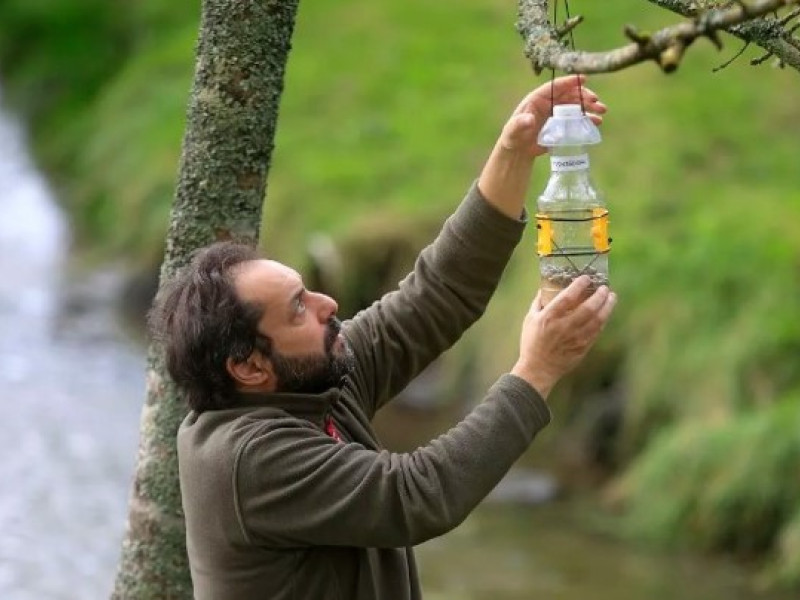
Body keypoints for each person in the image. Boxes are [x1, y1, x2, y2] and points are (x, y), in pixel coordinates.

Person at [150, 75, 616, 600]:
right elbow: (414, 496)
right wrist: (537, 371)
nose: (329, 307)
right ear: (250, 366)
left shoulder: (308, 380)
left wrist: (513, 152)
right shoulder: (246, 461)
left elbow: (437, 295)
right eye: (299, 308)